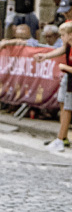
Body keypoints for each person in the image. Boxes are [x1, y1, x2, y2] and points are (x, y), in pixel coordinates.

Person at [35, 22, 72, 152]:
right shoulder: (68, 46)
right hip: (69, 79)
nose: (61, 38)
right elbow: (62, 49)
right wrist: (45, 56)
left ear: (70, 35)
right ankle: (62, 137)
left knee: (67, 108)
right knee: (64, 105)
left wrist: (64, 67)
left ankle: (60, 140)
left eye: (63, 35)